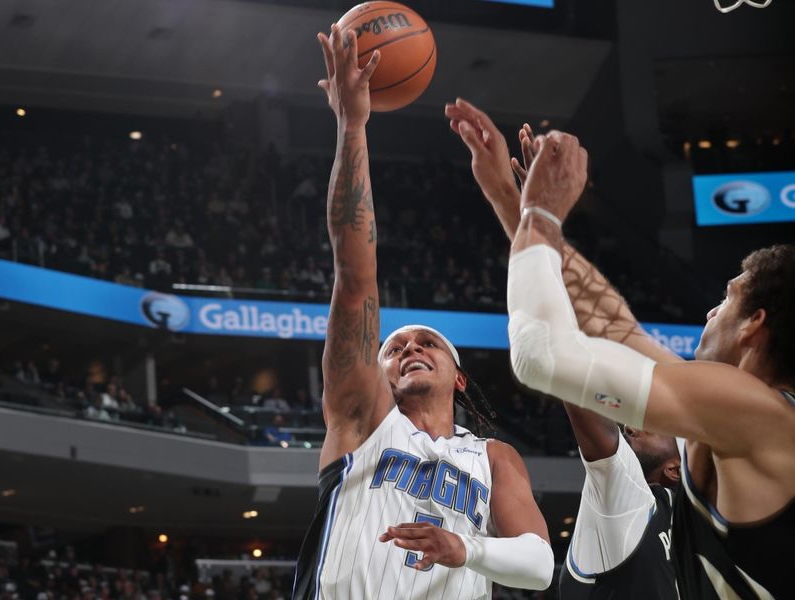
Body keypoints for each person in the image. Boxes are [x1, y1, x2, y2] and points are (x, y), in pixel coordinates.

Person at [292, 25, 554, 600]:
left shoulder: (494, 456)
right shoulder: (363, 418)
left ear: (459, 376)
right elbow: (355, 276)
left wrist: (467, 549)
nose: (409, 347)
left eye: (427, 342)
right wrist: (352, 127)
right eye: (394, 346)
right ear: (378, 371)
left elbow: (539, 564)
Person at [491, 114, 793, 599]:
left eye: (729, 297)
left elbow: (542, 356)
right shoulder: (732, 417)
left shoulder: (760, 415)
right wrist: (526, 215)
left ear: (754, 324)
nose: (712, 309)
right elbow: (613, 326)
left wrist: (541, 218)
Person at [447, 99, 682, 599]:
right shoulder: (630, 501)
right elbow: (596, 331)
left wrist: (531, 209)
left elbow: (565, 353)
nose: (632, 420)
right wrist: (523, 208)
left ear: (677, 469)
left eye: (651, 424)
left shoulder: (675, 515)